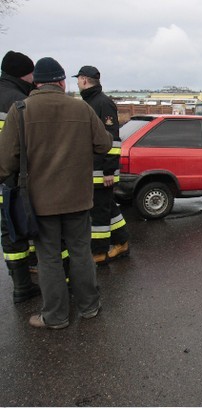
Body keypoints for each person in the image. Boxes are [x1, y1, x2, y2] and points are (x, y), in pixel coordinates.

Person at [0, 57, 112, 329]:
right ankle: (89, 307)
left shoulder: (21, 110)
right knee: (81, 252)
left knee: (48, 257)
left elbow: (6, 162)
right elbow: (105, 144)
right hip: (78, 198)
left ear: (36, 82)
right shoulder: (81, 108)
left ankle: (56, 316)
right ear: (62, 82)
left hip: (40, 201)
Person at [74, 66, 129, 264]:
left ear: (85, 80)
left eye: (78, 79)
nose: (77, 83)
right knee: (108, 209)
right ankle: (122, 243)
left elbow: (113, 140)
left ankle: (98, 254)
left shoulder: (102, 103)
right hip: (91, 170)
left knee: (98, 214)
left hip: (101, 172)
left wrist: (108, 171)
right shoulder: (89, 102)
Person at [0, 50, 40, 303]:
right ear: (24, 74)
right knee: (25, 226)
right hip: (14, 179)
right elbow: (23, 147)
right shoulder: (17, 103)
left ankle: (21, 284)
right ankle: (25, 286)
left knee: (10, 231)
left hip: (5, 179)